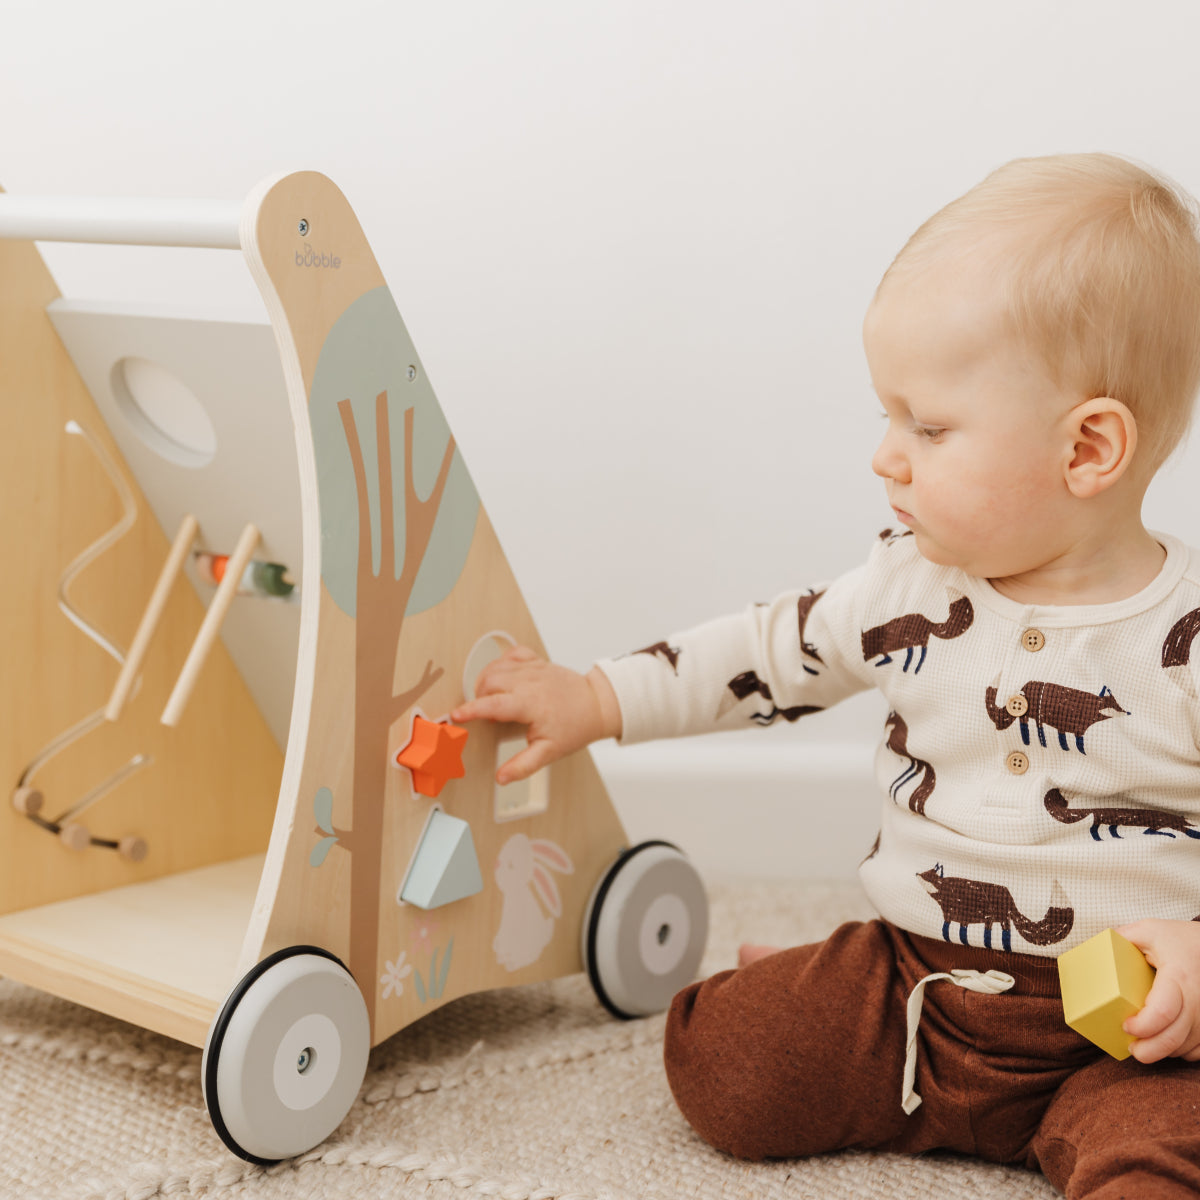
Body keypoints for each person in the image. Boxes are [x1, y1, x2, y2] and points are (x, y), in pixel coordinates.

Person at [451, 153, 1200, 1197]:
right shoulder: (905, 587)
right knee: (724, 1059)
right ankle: (834, 993)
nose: (886, 457)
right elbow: (760, 655)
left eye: (928, 428)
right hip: (917, 982)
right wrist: (596, 698)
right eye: (888, 417)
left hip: (1124, 1038)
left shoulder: (1184, 642)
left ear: (1087, 450)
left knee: (1158, 1159)